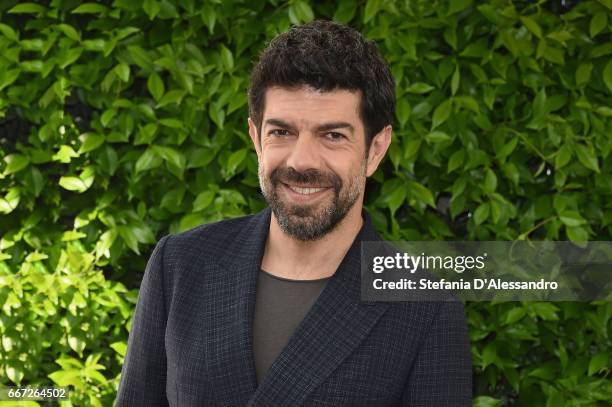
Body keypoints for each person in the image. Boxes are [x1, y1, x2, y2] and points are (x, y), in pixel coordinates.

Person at [116, 20, 472, 406]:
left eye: (333, 135)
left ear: (376, 149)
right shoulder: (180, 266)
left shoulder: (425, 308)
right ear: (256, 138)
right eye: (281, 132)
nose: (301, 160)